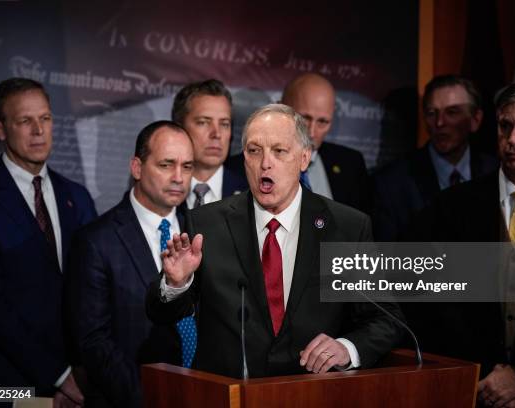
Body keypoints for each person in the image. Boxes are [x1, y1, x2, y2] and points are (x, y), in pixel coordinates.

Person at [146, 104, 404, 378]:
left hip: (310, 394)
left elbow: (387, 319)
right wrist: (175, 284)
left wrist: (347, 348)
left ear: (304, 159)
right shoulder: (207, 224)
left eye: (279, 151)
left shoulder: (346, 228)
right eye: (254, 151)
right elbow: (162, 315)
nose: (265, 163)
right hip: (229, 396)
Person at [424, 81, 515, 407]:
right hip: (473, 389)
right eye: (506, 126)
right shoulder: (452, 206)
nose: (513, 139)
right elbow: (439, 307)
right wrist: (489, 376)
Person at [0, 78, 97, 406]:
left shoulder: (76, 197)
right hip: (9, 390)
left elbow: (93, 290)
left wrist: (86, 371)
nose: (38, 130)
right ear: (0, 129)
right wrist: (60, 376)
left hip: (82, 382)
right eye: (25, 120)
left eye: (45, 118)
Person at [66, 121, 193, 407]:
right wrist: (148, 399)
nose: (178, 177)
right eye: (166, 165)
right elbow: (94, 341)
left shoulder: (200, 230)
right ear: (137, 167)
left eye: (187, 167)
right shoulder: (96, 241)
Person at [371, 74, 498, 241]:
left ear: (475, 119)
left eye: (452, 112)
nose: (439, 123)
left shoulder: (497, 173)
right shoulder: (391, 183)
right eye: (432, 113)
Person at [280, 73, 370, 214]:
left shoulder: (351, 165)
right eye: (304, 118)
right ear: (279, 110)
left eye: (322, 122)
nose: (311, 132)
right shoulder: (247, 167)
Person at [171, 79, 247, 208]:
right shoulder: (159, 191)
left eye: (224, 124)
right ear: (179, 128)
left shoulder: (250, 196)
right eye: (203, 122)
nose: (216, 134)